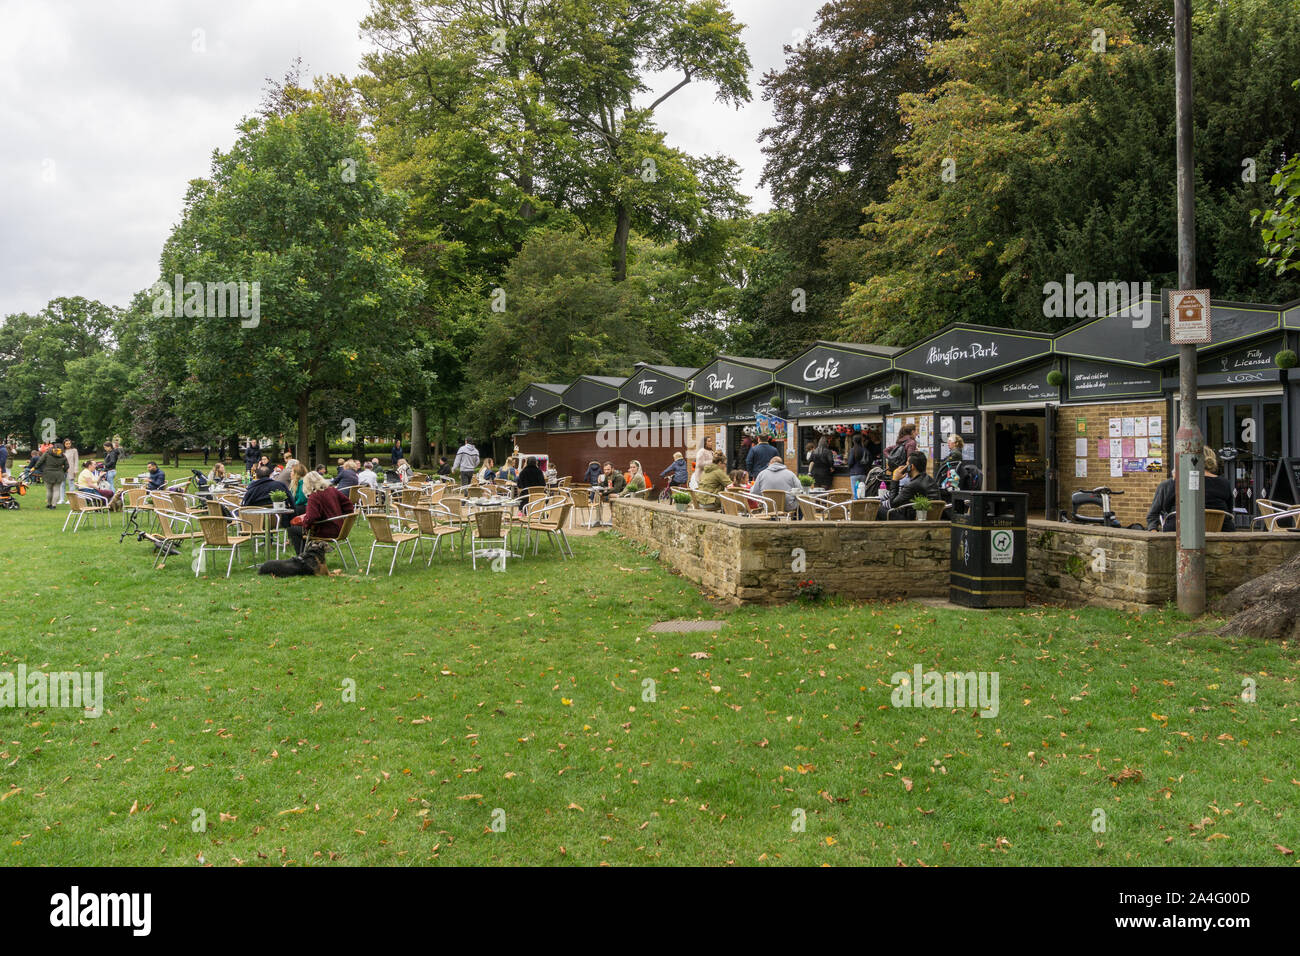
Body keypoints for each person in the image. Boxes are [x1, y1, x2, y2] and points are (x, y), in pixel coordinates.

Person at [289, 470, 355, 555]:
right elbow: (349, 505)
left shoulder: (314, 496)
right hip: (341, 528)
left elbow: (312, 517)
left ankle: (302, 556)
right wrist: (341, 516)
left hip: (327, 530)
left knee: (293, 529)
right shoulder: (332, 490)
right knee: (304, 528)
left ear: (307, 484)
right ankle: (312, 552)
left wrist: (305, 525)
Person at [886, 452, 941, 520]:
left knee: (878, 510)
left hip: (912, 519)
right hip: (928, 518)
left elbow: (893, 504)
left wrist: (895, 480)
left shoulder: (912, 485)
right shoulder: (931, 480)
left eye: (906, 464)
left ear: (911, 467)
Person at [1146, 466, 1177, 531]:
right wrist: (1153, 529)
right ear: (1173, 475)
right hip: (1172, 526)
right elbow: (1153, 512)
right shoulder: (1165, 486)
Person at [847, 433, 870, 499]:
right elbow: (869, 461)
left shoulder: (852, 450)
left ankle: (855, 508)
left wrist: (849, 467)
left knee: (855, 494)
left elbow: (850, 462)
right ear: (861, 441)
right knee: (862, 493)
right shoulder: (865, 450)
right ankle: (862, 507)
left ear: (853, 441)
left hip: (854, 474)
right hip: (863, 473)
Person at [62, 439, 79, 505]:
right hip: (63, 470)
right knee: (62, 484)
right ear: (64, 444)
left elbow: (76, 460)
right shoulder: (62, 451)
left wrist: (76, 470)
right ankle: (62, 499)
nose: (68, 445)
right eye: (66, 444)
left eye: (69, 443)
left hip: (71, 469)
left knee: (71, 484)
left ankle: (71, 499)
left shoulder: (74, 450)